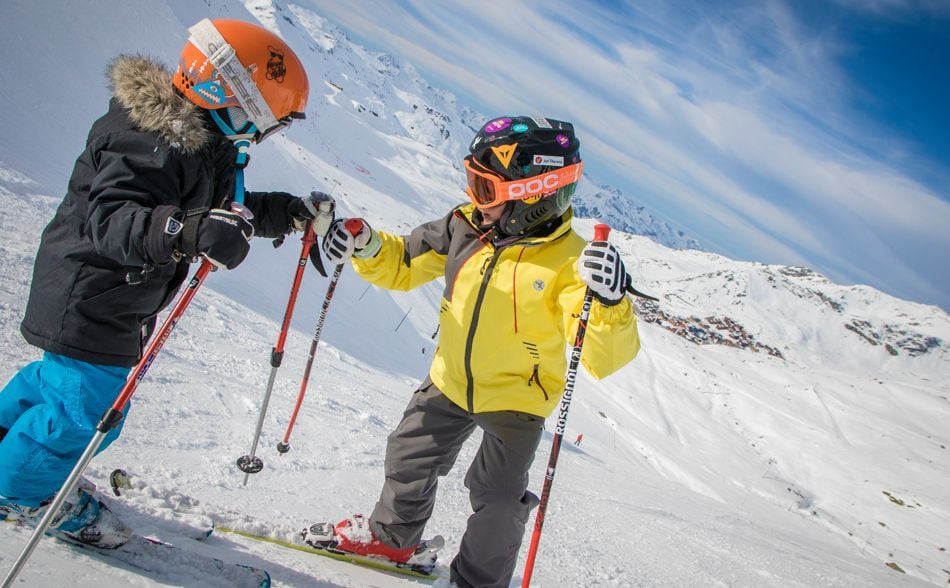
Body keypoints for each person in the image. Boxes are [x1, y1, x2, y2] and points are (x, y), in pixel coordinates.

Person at [0, 18, 334, 547]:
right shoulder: (149, 140)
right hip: (93, 295)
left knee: (56, 388)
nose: (264, 132)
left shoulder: (199, 140)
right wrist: (189, 231)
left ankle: (10, 454)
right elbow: (111, 218)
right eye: (263, 117)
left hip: (106, 295)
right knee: (86, 414)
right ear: (228, 96)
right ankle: (20, 492)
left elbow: (227, 210)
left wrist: (288, 213)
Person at [304, 116, 640, 587]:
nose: (475, 201)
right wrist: (365, 244)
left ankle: (478, 580)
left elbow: (605, 356)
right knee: (409, 454)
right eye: (474, 184)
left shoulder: (569, 264)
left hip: (517, 399)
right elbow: (403, 261)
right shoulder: (464, 227)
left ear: (533, 196)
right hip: (450, 380)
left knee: (499, 498)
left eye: (486, 189)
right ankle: (392, 538)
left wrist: (608, 302)